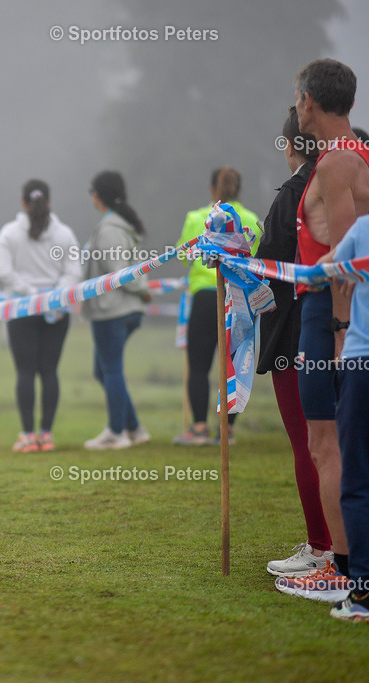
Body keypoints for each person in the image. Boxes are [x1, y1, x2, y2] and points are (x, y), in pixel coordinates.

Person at [275, 59, 369, 603]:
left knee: (323, 444)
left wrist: (338, 332)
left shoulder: (335, 162)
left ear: (309, 101)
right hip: (335, 316)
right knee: (339, 446)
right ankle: (348, 563)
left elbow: (348, 256)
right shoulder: (357, 155)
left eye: (297, 96)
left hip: (325, 316)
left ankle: (340, 567)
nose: (296, 105)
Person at [259, 108, 333, 579]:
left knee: (309, 443)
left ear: (291, 146)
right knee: (335, 442)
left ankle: (323, 546)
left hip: (296, 332)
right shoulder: (340, 182)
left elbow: (268, 264)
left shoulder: (296, 190)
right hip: (339, 329)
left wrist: (228, 258)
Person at [173, 168, 261, 446]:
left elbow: (183, 255)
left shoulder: (197, 218)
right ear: (239, 189)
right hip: (238, 298)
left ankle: (198, 427)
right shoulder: (250, 219)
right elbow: (257, 259)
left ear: (212, 189)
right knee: (234, 364)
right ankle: (228, 430)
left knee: (199, 366)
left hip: (204, 297)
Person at [0, 180, 81, 453]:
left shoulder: (8, 233)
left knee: (25, 372)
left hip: (21, 309)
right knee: (49, 371)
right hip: (56, 311)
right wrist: (52, 297)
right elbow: (74, 272)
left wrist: (31, 295)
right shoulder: (65, 234)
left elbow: (4, 272)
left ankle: (28, 436)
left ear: (22, 202)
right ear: (49, 200)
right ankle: (47, 435)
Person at [80, 171, 152, 450]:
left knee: (111, 369)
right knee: (104, 370)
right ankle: (134, 428)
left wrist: (142, 290)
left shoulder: (109, 229)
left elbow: (119, 274)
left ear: (98, 195)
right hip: (124, 310)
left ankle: (116, 432)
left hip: (112, 311)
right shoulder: (121, 224)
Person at [325, 215, 369, 621]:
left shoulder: (361, 229)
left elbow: (321, 270)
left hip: (360, 363)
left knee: (356, 480)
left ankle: (363, 593)